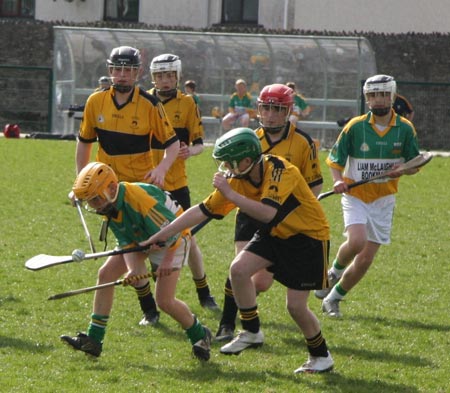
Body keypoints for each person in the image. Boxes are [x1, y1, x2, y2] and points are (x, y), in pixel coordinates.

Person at [140, 128, 334, 374]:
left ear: (245, 160)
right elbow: (202, 210)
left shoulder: (280, 170)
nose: (225, 169)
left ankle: (321, 356)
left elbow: (267, 212)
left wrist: (230, 194)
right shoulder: (237, 179)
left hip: (307, 237)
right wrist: (162, 234)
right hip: (275, 233)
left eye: (228, 163)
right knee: (238, 270)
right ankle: (252, 331)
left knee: (295, 307)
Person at [61, 162, 212, 360]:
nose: (93, 206)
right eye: (89, 201)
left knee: (165, 301)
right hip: (141, 235)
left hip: (173, 238)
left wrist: (167, 261)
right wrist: (133, 269)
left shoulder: (140, 200)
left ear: (112, 188)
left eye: (95, 199)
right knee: (105, 274)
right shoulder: (109, 205)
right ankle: (94, 340)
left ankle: (201, 335)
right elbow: (126, 241)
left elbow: (174, 231)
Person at [74, 46, 180, 326]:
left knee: (141, 255)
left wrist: (161, 168)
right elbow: (85, 143)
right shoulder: (95, 101)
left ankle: (162, 306)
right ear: (110, 71)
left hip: (138, 190)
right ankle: (150, 311)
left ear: (137, 73)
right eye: (117, 69)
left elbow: (173, 144)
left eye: (128, 70)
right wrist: (81, 183)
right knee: (130, 255)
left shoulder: (149, 104)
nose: (122, 75)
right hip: (106, 191)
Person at [216, 84, 323, 342]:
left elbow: (314, 183)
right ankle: (228, 324)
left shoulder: (303, 142)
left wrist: (306, 205)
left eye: (278, 109)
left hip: (280, 219)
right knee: (239, 267)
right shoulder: (250, 138)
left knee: (261, 282)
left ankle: (247, 318)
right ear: (259, 110)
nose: (272, 115)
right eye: (267, 109)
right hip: (250, 213)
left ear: (288, 111)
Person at [315, 74, 421, 318]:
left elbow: (415, 164)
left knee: (364, 260)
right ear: (367, 98)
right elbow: (335, 159)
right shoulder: (355, 127)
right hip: (356, 194)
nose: (379, 100)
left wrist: (404, 169)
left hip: (384, 200)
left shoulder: (405, 129)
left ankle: (333, 298)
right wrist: (339, 180)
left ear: (392, 96)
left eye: (384, 94)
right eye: (373, 95)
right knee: (356, 241)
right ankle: (334, 272)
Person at [148, 53, 218, 310]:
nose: (164, 81)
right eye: (159, 76)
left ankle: (203, 291)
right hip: (147, 183)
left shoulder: (188, 103)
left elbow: (199, 144)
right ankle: (157, 300)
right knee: (151, 240)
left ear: (177, 76)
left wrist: (191, 151)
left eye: (169, 76)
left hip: (177, 182)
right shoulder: (143, 100)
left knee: (187, 239)